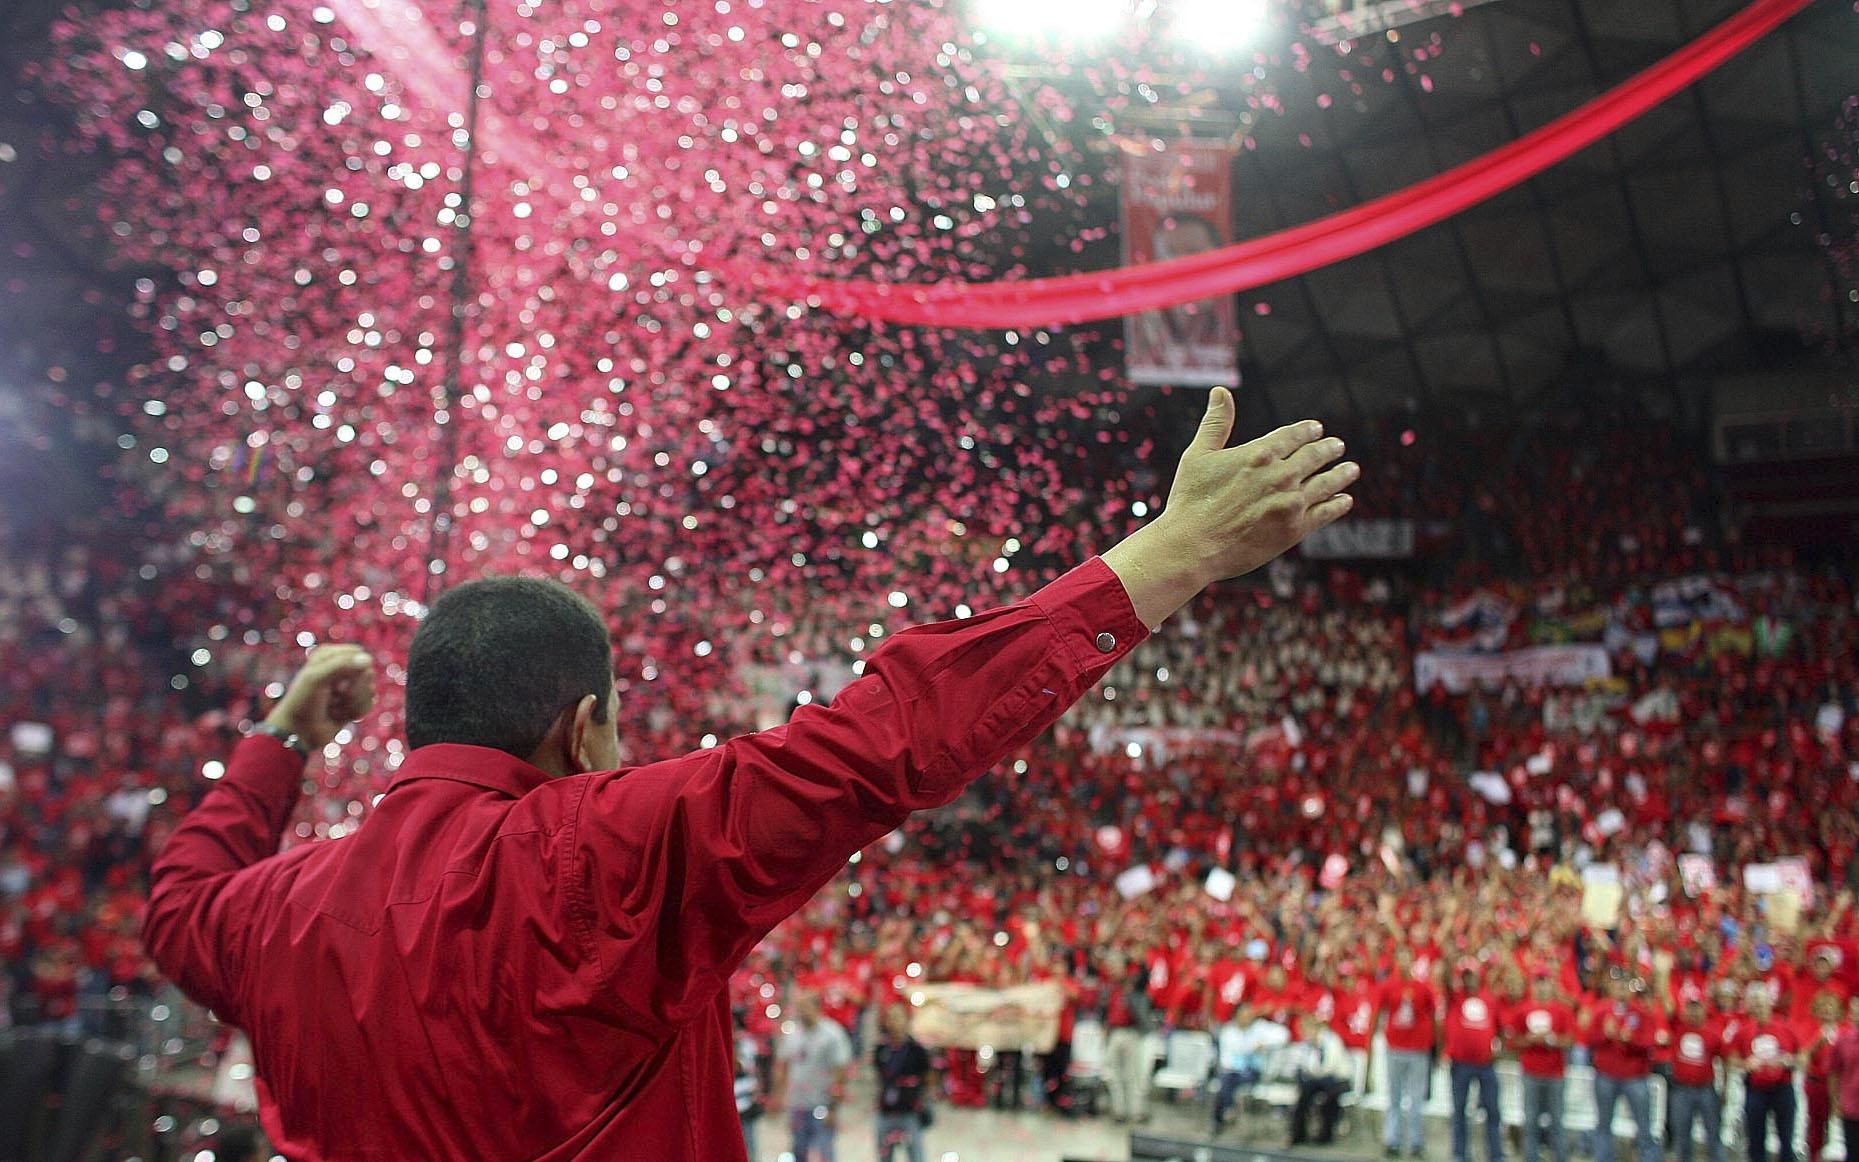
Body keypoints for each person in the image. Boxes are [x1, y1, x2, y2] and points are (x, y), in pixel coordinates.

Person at [138, 389, 1358, 1159]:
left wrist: (281, 738)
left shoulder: (273, 914)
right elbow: (882, 740)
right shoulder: (607, 845)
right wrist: (1170, 555)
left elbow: (178, 903)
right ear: (581, 729)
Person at [1586, 970, 1663, 1162]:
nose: (1621, 989)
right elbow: (1589, 1039)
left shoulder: (1642, 1013)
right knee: (1603, 1125)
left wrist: (1631, 1039)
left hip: (1635, 1077)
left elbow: (1650, 1043)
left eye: (1625, 985)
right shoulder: (1601, 1010)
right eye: (1617, 985)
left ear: (1631, 989)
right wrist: (1605, 1035)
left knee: (1643, 1126)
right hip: (1606, 1075)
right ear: (1611, 988)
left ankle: (1648, 1158)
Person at [774, 991, 854, 1162]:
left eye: (806, 1007)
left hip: (822, 1103)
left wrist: (833, 1107)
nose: (802, 1011)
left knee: (823, 1153)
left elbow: (840, 1071)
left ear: (817, 1008)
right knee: (798, 1150)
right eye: (799, 1007)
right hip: (798, 1104)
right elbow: (784, 1065)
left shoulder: (832, 1034)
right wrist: (779, 1096)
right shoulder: (793, 1034)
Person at [1378, 945, 1439, 1159]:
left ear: (1412, 961)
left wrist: (1434, 1046)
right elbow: (1380, 1012)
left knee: (1416, 1098)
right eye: (1400, 958)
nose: (1403, 963)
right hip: (1395, 1047)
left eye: (1407, 958)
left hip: (1418, 1049)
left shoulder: (1423, 987)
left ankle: (1416, 1141)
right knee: (1394, 1096)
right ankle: (1391, 1139)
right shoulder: (1388, 986)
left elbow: (1433, 1015)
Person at [1729, 983, 1801, 1162]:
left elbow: (1802, 1057)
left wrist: (1788, 1061)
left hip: (1782, 1087)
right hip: (1756, 1089)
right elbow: (1731, 1060)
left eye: (1761, 1003)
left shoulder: (1786, 1027)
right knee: (1755, 1139)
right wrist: (1745, 1064)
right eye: (1755, 1003)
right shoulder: (1743, 1031)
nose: (1759, 1007)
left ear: (1770, 1003)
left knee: (1786, 1138)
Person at [1508, 974, 1575, 1162]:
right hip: (1531, 1072)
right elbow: (1512, 1041)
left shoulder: (1562, 1011)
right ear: (1532, 986)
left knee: (1557, 1121)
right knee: (1530, 1121)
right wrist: (1530, 1040)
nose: (1541, 988)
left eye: (1544, 983)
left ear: (1551, 986)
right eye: (1538, 983)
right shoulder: (1522, 1010)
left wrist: (1551, 1040)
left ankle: (1560, 1158)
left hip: (1555, 1074)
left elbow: (1570, 1040)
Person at [1444, 965, 1503, 1162]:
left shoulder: (1489, 999)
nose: (1469, 980)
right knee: (1459, 1110)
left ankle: (1495, 1154)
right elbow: (1445, 977)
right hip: (1461, 1063)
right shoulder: (1455, 998)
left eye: (1472, 976)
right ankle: (1460, 1154)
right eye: (1466, 976)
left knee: (1492, 1110)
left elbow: (1500, 1027)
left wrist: (1498, 1049)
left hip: (1486, 1064)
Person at [1212, 1000, 1292, 1135]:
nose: (1247, 1018)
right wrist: (1248, 1050)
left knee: (1227, 1083)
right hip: (1233, 1071)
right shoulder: (1228, 1032)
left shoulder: (1260, 1027)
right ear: (1236, 1016)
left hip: (1254, 1072)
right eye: (1244, 1015)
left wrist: (1265, 1044)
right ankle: (1227, 1112)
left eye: (1250, 1015)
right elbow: (1227, 1058)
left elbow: (1284, 1035)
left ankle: (1225, 1114)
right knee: (1226, 1080)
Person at [1668, 995, 1729, 1162]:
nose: (1694, 1012)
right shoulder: (1677, 1027)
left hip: (1706, 1089)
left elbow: (1725, 1060)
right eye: (1690, 1008)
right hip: (1681, 1088)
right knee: (1681, 1136)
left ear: (1704, 1010)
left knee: (1714, 1134)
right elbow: (1666, 1004)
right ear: (1685, 1010)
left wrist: (1725, 1088)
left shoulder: (1714, 1032)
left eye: (1697, 1008)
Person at [873, 1005, 932, 1162]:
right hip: (886, 1110)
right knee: (884, 1154)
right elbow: (879, 1076)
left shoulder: (917, 1049)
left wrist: (921, 1099)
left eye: (898, 1017)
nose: (894, 1022)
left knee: (915, 1154)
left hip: (910, 1110)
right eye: (890, 1018)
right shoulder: (881, 1048)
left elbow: (927, 1078)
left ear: (907, 1020)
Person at [1105, 956, 1160, 1123]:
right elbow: (1105, 1011)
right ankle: (1119, 1110)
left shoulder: (1137, 992)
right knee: (1114, 1075)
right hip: (1114, 1033)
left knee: (1132, 1075)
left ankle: (1135, 1111)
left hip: (1131, 1033)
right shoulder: (1112, 989)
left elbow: (1142, 1014)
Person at [1290, 1011, 1354, 1147]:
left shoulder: (1331, 1041)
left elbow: (1329, 1067)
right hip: (1318, 1080)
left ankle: (1326, 1135)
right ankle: (1298, 1134)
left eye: (1308, 1030)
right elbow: (1303, 1064)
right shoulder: (1307, 1045)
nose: (1306, 1034)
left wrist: (1312, 1073)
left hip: (1338, 1079)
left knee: (1329, 1097)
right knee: (1304, 1095)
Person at [1802, 991, 1842, 1162]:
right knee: (1816, 1127)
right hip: (1817, 1084)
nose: (1827, 1009)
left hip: (1841, 1086)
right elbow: (1803, 1057)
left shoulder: (1846, 1030)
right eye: (1823, 1006)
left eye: (1830, 1006)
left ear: (1838, 1010)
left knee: (1842, 1126)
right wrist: (1818, 1042)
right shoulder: (1809, 1028)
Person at [1829, 996, 1859, 1162]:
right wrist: (1835, 1101)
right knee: (1853, 1153)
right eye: (1853, 1011)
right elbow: (1834, 1072)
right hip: (1851, 1108)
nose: (1855, 1014)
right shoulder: (1843, 1040)